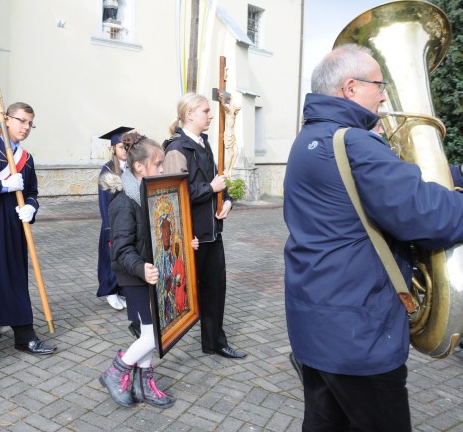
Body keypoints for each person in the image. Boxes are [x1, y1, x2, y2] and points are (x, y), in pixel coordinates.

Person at [283, 44, 463, 431]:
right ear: (350, 88)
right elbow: (431, 216)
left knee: (324, 424)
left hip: (317, 325)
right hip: (359, 337)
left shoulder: (310, 139)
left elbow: (389, 183)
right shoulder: (353, 142)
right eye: (379, 85)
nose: (384, 94)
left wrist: (454, 174)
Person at [99, 134, 197, 408]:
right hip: (135, 277)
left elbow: (164, 235)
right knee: (153, 335)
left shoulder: (154, 195)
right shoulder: (123, 203)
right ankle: (116, 371)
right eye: (158, 164)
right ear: (140, 167)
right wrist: (141, 268)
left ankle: (143, 384)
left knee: (148, 332)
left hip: (154, 274)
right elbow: (120, 250)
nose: (163, 170)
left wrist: (185, 242)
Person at [0, 102, 56, 355]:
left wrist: (32, 208)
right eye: (21, 121)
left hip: (16, 223)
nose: (25, 127)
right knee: (11, 277)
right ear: (6, 120)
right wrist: (2, 186)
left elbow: (33, 192)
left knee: (4, 272)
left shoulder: (27, 158)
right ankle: (24, 334)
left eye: (30, 123)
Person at [163, 92, 246, 360]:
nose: (210, 116)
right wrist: (210, 188)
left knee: (215, 287)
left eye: (210, 111)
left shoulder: (205, 143)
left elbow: (217, 179)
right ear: (190, 114)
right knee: (181, 289)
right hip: (191, 234)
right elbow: (175, 193)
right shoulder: (177, 149)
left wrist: (227, 200)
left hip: (212, 231)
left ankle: (214, 341)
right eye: (206, 112)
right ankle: (153, 334)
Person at [97, 126, 133, 311]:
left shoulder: (133, 167)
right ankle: (110, 291)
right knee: (110, 258)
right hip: (112, 224)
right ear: (112, 149)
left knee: (125, 258)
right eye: (120, 146)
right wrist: (110, 228)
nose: (124, 150)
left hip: (128, 223)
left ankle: (122, 290)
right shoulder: (108, 170)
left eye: (127, 146)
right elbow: (104, 203)